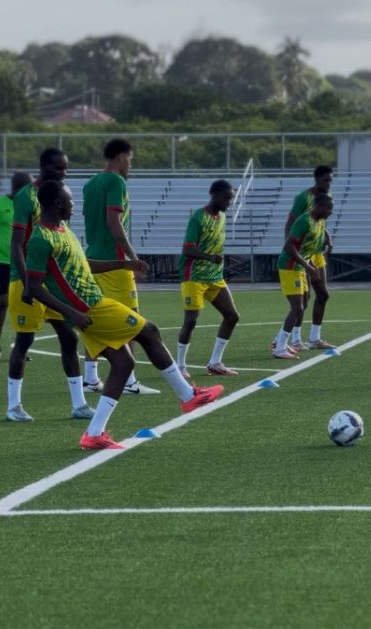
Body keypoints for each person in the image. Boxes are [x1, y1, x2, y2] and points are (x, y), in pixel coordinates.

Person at [25, 181, 223, 450]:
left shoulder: (64, 231)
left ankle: (94, 433)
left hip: (89, 305)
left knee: (123, 364)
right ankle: (188, 396)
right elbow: (33, 286)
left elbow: (85, 265)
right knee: (149, 331)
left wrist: (124, 263)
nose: (74, 205)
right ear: (58, 203)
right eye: (70, 200)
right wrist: (72, 313)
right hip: (89, 308)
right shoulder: (40, 239)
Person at [4, 148, 92, 423]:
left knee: (69, 337)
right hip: (27, 281)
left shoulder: (62, 194)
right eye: (58, 168)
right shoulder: (25, 197)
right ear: (43, 167)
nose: (62, 174)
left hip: (53, 283)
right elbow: (17, 244)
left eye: (65, 169)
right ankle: (13, 406)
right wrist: (28, 283)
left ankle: (79, 404)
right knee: (25, 340)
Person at [82, 138, 160, 395]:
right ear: (120, 157)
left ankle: (90, 378)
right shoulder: (117, 182)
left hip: (93, 260)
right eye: (130, 159)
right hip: (115, 264)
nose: (131, 165)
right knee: (134, 322)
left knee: (95, 319)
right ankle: (129, 382)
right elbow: (114, 222)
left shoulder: (90, 183)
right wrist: (132, 258)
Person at [176, 180, 241, 378]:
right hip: (194, 277)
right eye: (227, 198)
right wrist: (209, 257)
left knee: (232, 316)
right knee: (191, 321)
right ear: (214, 194)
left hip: (214, 277)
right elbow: (187, 249)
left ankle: (215, 363)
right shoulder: (198, 217)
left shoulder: (221, 217)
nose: (229, 203)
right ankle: (179, 366)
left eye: (231, 199)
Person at [277, 164, 335, 351]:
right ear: (317, 179)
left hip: (315, 253)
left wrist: (328, 237)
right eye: (326, 180)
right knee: (304, 298)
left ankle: (314, 338)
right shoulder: (303, 198)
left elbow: (320, 221)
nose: (328, 183)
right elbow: (291, 224)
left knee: (322, 294)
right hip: (301, 254)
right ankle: (293, 339)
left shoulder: (327, 198)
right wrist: (291, 250)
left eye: (330, 180)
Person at [0, 171, 31, 361]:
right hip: (3, 261)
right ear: (17, 187)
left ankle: (22, 346)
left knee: (23, 302)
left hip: (25, 262)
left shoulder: (29, 205)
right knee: (2, 301)